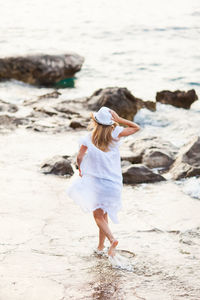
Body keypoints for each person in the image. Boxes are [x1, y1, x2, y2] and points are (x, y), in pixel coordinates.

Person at [67, 106, 140, 257]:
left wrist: (81, 169)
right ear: (111, 122)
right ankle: (101, 247)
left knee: (97, 216)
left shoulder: (88, 138)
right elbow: (136, 127)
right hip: (113, 184)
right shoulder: (116, 133)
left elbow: (79, 157)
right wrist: (120, 120)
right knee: (103, 216)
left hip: (96, 184)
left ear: (95, 121)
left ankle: (112, 240)